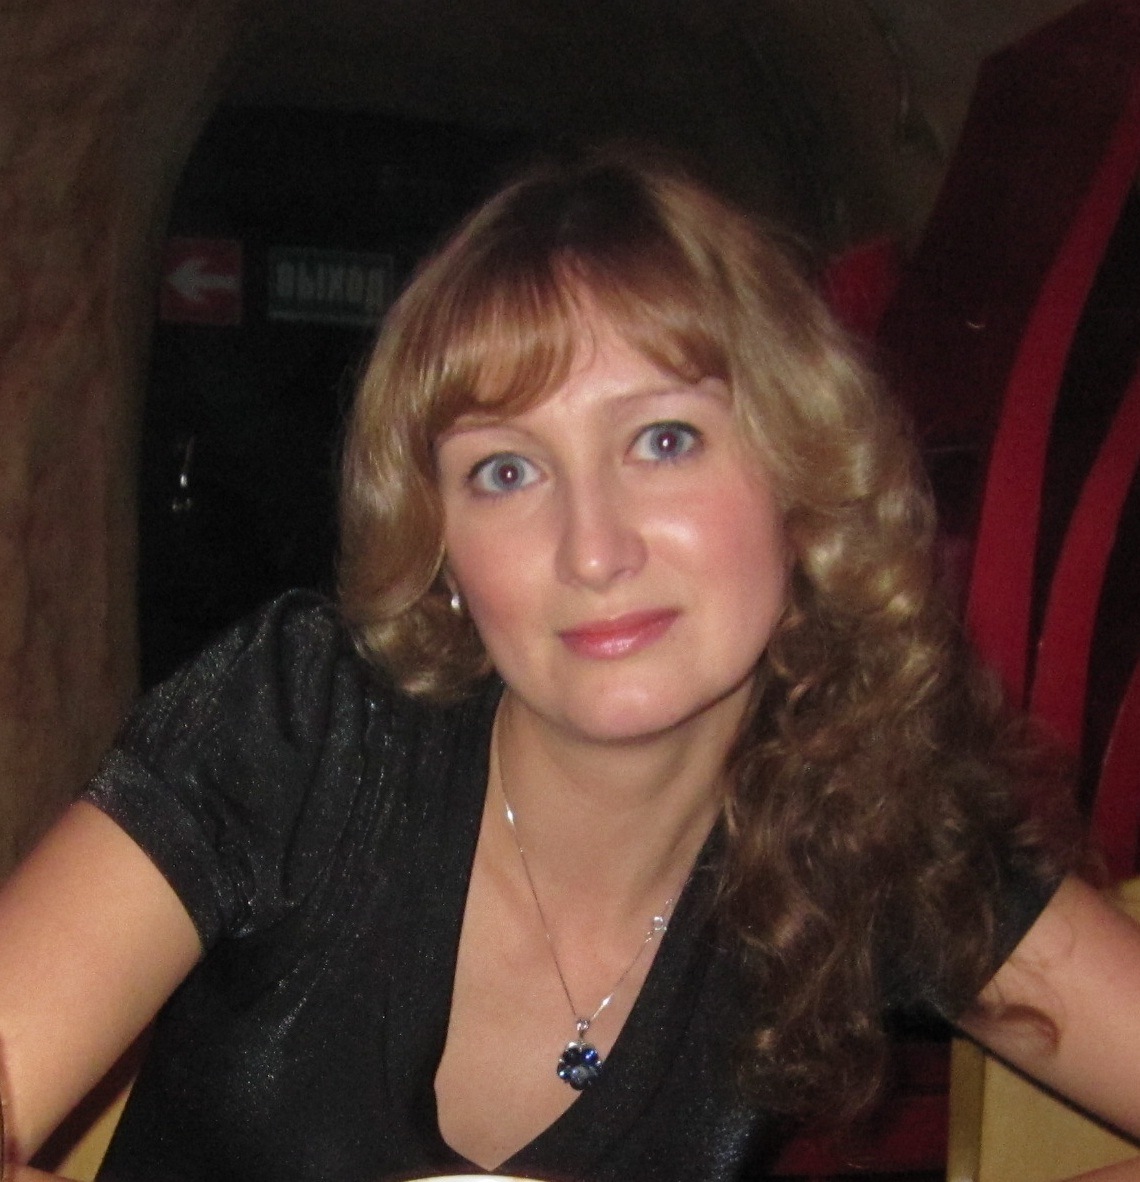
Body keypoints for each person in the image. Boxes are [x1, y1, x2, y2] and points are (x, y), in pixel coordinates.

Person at [1, 149, 1139, 1182]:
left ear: (800, 480)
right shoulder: (302, 728)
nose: (594, 550)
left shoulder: (860, 823)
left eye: (664, 440)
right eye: (506, 471)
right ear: (441, 546)